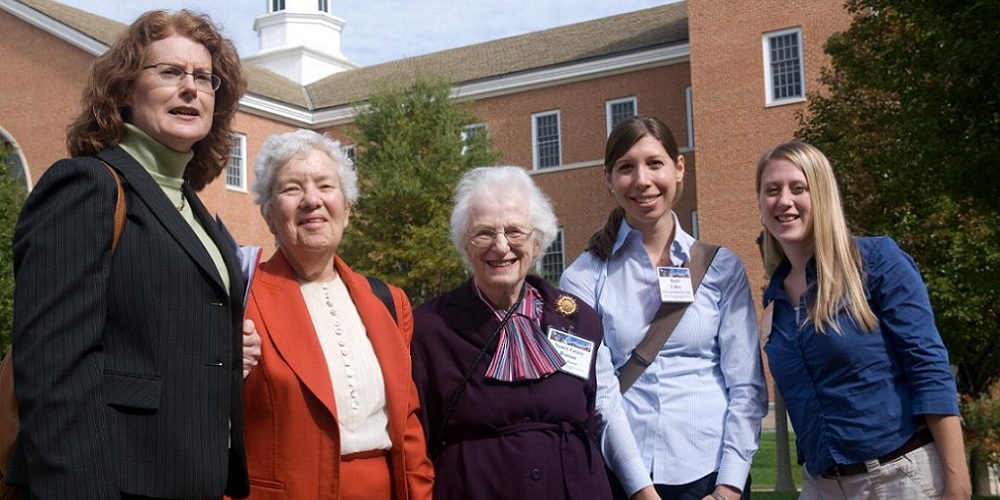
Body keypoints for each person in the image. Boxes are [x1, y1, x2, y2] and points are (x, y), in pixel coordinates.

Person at [10, 9, 256, 499]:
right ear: (123, 90)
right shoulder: (87, 186)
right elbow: (53, 373)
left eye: (204, 78)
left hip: (193, 482)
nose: (191, 88)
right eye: (169, 72)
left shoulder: (189, 205)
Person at [560, 115, 768, 500]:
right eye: (626, 167)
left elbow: (747, 386)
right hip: (623, 481)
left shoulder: (722, 269)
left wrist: (728, 487)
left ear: (678, 168)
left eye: (655, 163)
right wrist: (641, 490)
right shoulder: (582, 279)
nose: (642, 180)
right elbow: (599, 395)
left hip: (713, 477)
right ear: (609, 179)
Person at [755, 141, 972, 499]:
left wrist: (958, 483)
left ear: (822, 195)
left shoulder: (875, 262)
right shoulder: (774, 301)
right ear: (760, 204)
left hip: (898, 478)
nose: (784, 200)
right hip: (820, 484)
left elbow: (928, 368)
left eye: (798, 187)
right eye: (771, 190)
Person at [240, 129, 434, 499]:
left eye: (325, 186)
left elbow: (408, 427)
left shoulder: (388, 302)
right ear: (268, 215)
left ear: (347, 208)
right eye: (292, 188)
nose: (312, 200)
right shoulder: (243, 300)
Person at [411, 166, 613, 499]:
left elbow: (592, 415)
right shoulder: (429, 330)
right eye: (484, 233)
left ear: (537, 241)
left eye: (515, 231)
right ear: (465, 243)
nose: (501, 246)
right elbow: (419, 443)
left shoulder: (579, 320)